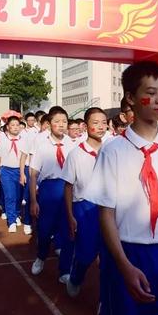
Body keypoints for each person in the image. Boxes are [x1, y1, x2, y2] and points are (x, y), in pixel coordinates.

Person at [88, 61, 158, 315]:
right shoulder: (113, 151)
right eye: (150, 92)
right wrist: (123, 264)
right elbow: (106, 213)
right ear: (131, 98)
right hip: (129, 250)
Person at [61, 107, 108, 297]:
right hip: (85, 207)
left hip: (109, 207)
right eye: (95, 123)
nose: (101, 127)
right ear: (85, 126)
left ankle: (106, 299)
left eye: (104, 122)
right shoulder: (76, 154)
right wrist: (70, 215)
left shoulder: (111, 150)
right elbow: (68, 186)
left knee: (109, 255)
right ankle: (75, 278)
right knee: (87, 253)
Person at [30, 106, 74, 282]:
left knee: (68, 228)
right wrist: (33, 200)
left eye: (64, 121)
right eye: (57, 121)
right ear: (49, 124)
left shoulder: (72, 144)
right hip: (48, 189)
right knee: (44, 229)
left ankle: (64, 271)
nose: (61, 125)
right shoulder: (42, 146)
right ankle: (41, 257)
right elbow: (33, 174)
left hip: (68, 187)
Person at [0, 116, 26, 233]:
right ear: (7, 127)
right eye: (13, 125)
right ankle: (11, 221)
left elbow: (25, 157)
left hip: (20, 171)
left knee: (19, 196)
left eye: (17, 125)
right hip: (6, 171)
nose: (15, 127)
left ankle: (16, 214)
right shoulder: (2, 140)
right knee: (10, 196)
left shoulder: (24, 140)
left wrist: (23, 173)